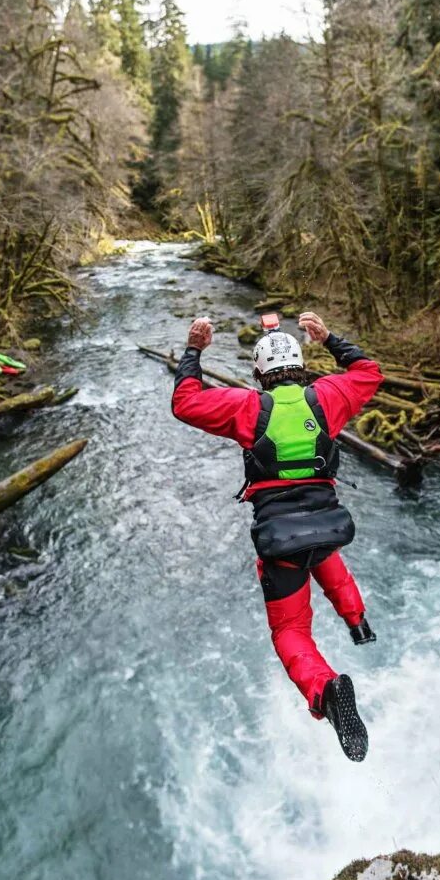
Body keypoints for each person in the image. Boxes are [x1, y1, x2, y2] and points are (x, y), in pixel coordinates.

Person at [171, 311, 383, 761]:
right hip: (328, 527)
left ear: (257, 374)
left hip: (280, 542)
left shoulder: (245, 407)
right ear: (302, 367)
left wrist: (194, 350)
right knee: (323, 554)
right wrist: (330, 339)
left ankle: (326, 691)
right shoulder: (329, 397)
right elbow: (368, 372)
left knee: (290, 629)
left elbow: (185, 402)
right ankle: (358, 624)